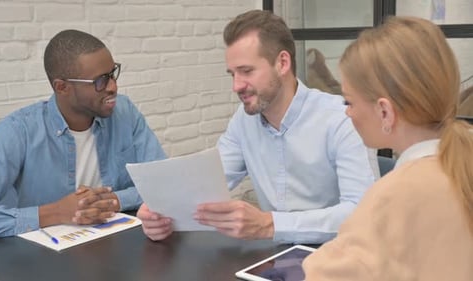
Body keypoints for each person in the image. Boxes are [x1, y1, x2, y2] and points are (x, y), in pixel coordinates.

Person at [138, 10, 376, 244]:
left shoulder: (342, 119)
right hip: (274, 260)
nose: (236, 86)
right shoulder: (243, 121)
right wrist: (159, 210)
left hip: (339, 258)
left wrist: (269, 224)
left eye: (246, 71)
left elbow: (362, 214)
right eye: (232, 74)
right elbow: (206, 182)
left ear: (282, 63)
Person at [303, 16, 473, 280]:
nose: (347, 113)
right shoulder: (460, 165)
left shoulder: (392, 197)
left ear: (385, 111)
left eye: (349, 102)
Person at [0, 30, 166, 240]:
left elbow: (163, 183)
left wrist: (112, 200)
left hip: (117, 246)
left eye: (113, 74)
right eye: (100, 81)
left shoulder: (125, 112)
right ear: (62, 87)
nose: (113, 87)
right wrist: (56, 212)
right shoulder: (19, 131)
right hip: (42, 259)